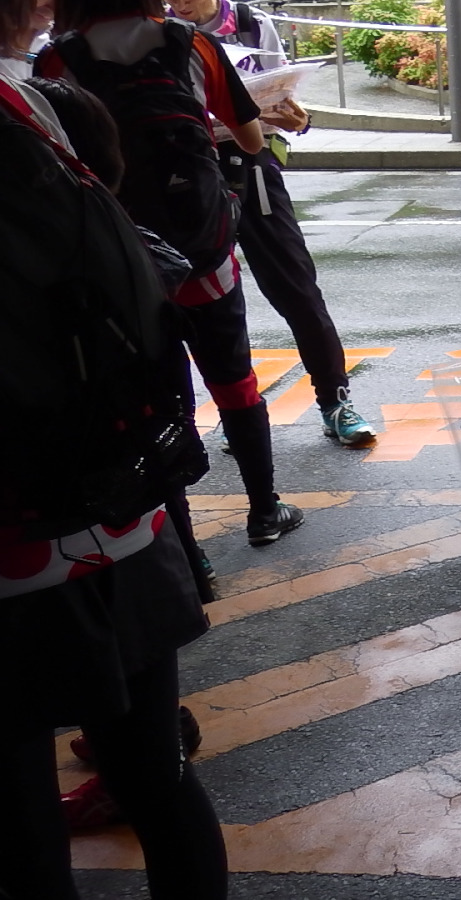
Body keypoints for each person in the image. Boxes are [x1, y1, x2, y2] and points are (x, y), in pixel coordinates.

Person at [1, 12, 228, 891]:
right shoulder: (35, 105)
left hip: (15, 548)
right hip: (120, 506)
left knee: (22, 821)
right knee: (155, 777)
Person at [38, 0, 304, 545]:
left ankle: (186, 545)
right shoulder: (192, 43)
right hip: (203, 246)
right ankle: (264, 511)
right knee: (234, 380)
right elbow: (252, 141)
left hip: (125, 257)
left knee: (154, 397)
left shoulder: (57, 61)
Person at [167, 0, 379, 448]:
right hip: (189, 173)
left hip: (253, 168)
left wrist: (293, 116)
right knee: (206, 299)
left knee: (297, 288)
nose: (179, 4)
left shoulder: (250, 24)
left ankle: (335, 401)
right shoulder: (160, 32)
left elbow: (279, 94)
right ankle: (236, 411)